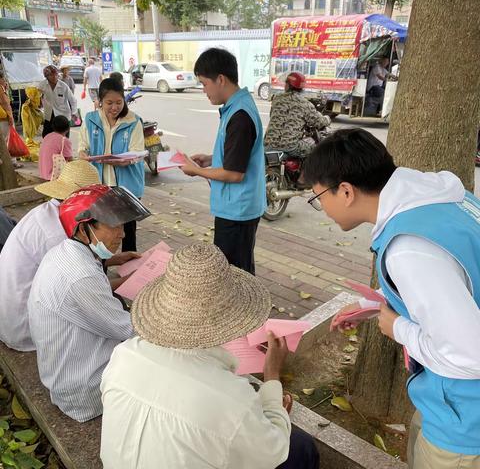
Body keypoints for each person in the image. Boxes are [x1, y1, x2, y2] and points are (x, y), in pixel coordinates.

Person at [304, 128, 480, 469]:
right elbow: (453, 279)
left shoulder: (409, 249)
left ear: (345, 191)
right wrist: (374, 305)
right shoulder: (443, 197)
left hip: (464, 421)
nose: (322, 208)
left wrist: (397, 327)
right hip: (444, 403)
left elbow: (471, 355)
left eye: (318, 197)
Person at [100, 243, 320, 469]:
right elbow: (273, 452)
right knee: (301, 447)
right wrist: (272, 376)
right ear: (233, 317)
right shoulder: (232, 399)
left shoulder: (125, 354)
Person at [28, 184, 150, 422]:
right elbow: (128, 329)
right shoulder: (81, 276)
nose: (122, 234)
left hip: (66, 372)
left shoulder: (65, 252)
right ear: (84, 229)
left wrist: (114, 261)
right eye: (114, 226)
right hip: (84, 391)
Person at [180, 48, 266, 275]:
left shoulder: (239, 115)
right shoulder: (236, 108)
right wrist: (210, 159)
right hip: (235, 207)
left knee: (234, 275)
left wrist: (196, 171)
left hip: (237, 209)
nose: (203, 90)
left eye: (204, 83)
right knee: (239, 269)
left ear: (220, 79)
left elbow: (234, 174)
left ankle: (245, 310)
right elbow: (237, 156)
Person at [0, 160, 101, 351]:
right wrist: (126, 281)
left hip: (10, 315)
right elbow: (79, 289)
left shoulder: (47, 212)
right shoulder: (56, 234)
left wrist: (113, 259)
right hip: (24, 328)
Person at [79, 77, 145, 252]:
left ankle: (130, 270)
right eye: (109, 103)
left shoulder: (133, 121)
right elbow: (82, 146)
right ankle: (102, 269)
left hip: (126, 186)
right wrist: (83, 155)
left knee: (128, 231)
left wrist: (121, 160)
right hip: (100, 186)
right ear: (100, 101)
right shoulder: (91, 119)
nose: (114, 107)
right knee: (102, 231)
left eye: (119, 102)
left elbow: (137, 153)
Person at [264, 72, 331, 158]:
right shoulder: (305, 104)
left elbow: (272, 115)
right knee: (316, 148)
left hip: (268, 144)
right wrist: (327, 119)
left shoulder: (277, 98)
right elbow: (318, 122)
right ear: (301, 88)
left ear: (287, 85)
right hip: (291, 147)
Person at [38, 65, 77, 138]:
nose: (55, 77)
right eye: (51, 75)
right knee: (46, 136)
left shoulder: (63, 86)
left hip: (63, 115)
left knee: (63, 138)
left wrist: (74, 113)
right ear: (46, 77)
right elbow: (37, 95)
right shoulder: (42, 85)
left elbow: (73, 100)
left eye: (56, 74)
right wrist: (39, 101)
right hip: (49, 115)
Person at [38, 115, 73, 180]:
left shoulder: (47, 136)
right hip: (53, 176)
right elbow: (71, 161)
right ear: (68, 128)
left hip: (43, 173)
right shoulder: (64, 141)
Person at [0, 73, 22, 169]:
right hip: (4, 118)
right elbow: (5, 103)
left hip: (3, 117)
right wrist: (10, 116)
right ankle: (12, 161)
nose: (5, 80)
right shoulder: (1, 89)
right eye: (3, 79)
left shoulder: (3, 88)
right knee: (7, 140)